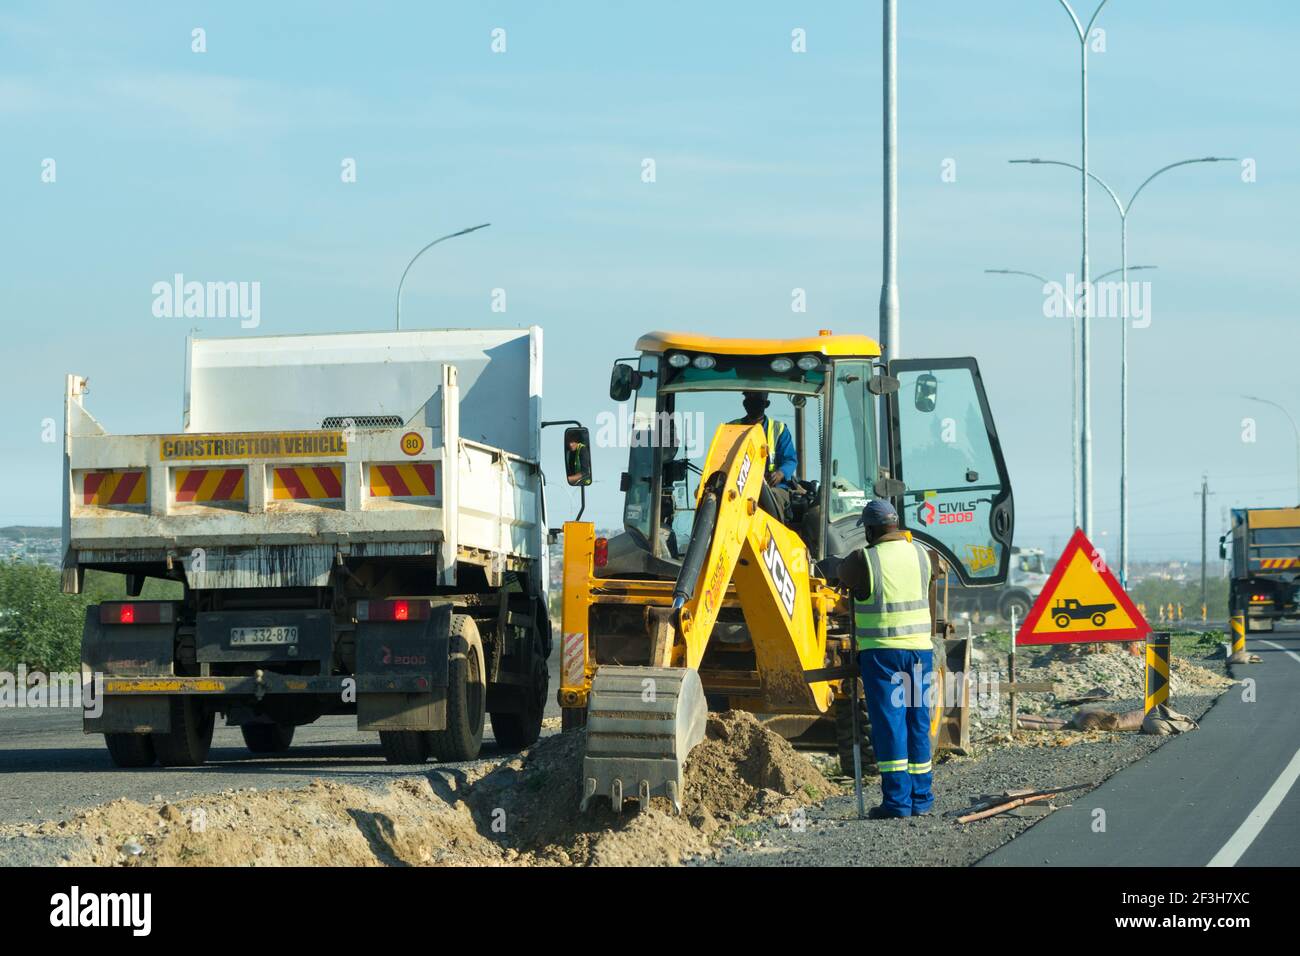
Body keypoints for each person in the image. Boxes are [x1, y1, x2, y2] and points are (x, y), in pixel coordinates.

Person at [837, 498, 940, 819]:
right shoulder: (923, 554)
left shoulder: (863, 559)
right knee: (917, 722)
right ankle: (921, 799)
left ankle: (897, 803)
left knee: (890, 725)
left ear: (869, 529)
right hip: (920, 652)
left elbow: (841, 577)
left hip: (882, 655)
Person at [731, 391, 798, 520]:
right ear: (744, 403)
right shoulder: (733, 427)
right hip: (739, 487)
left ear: (766, 404)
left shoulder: (779, 429)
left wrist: (780, 473)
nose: (751, 402)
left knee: (771, 499)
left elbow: (790, 459)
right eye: (748, 398)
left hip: (773, 486)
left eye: (756, 399)